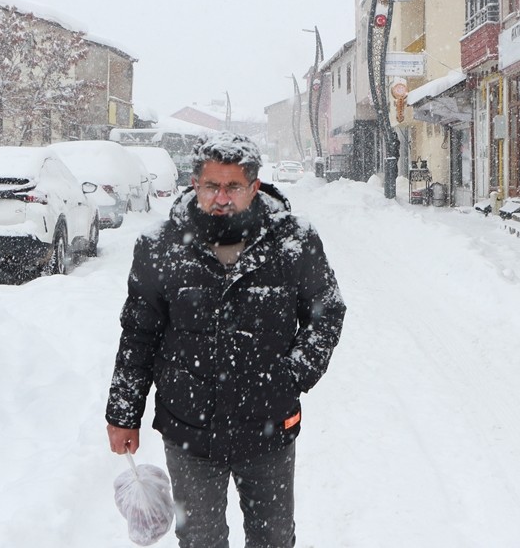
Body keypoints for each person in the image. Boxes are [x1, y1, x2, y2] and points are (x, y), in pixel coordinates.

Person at [106, 132, 346, 548]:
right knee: (200, 540)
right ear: (194, 184)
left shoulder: (293, 241)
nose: (221, 197)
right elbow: (139, 333)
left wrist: (290, 376)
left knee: (273, 539)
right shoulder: (160, 246)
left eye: (233, 186)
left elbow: (327, 313)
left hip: (268, 427)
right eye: (211, 185)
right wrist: (123, 413)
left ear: (254, 186)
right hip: (188, 428)